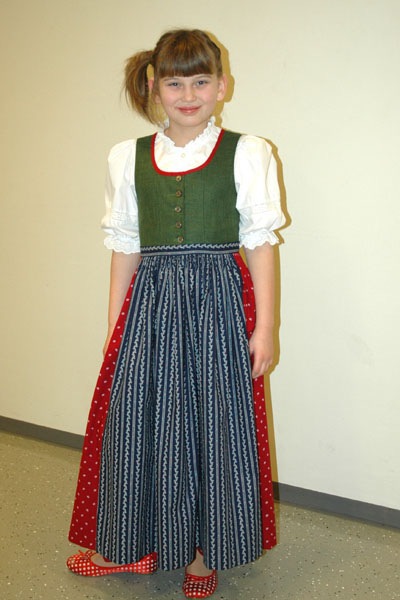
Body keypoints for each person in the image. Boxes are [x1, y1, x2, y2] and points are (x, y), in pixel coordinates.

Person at [66, 28, 285, 599]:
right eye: (175, 83)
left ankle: (204, 555)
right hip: (151, 308)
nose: (188, 94)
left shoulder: (247, 152)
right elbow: (125, 248)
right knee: (140, 424)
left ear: (223, 86)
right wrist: (114, 327)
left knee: (215, 426)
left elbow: (260, 244)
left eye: (201, 81)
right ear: (154, 86)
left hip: (219, 308)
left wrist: (264, 327)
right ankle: (133, 541)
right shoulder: (127, 157)